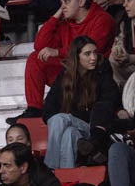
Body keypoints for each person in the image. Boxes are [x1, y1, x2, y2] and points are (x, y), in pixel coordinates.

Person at [18, 0, 117, 119]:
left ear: (81, 1)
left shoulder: (102, 19)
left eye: (67, 1)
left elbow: (91, 51)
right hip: (69, 71)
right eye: (61, 3)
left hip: (92, 74)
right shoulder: (65, 23)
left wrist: (57, 52)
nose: (63, 6)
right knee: (36, 58)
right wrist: (55, 16)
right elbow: (39, 45)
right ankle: (34, 109)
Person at [43, 37, 121, 169]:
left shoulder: (102, 73)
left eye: (95, 52)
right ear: (76, 57)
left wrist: (72, 116)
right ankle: (66, 180)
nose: (93, 57)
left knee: (60, 119)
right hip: (76, 131)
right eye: (87, 54)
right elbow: (47, 110)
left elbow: (109, 102)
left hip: (95, 129)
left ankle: (50, 169)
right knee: (69, 134)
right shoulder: (65, 77)